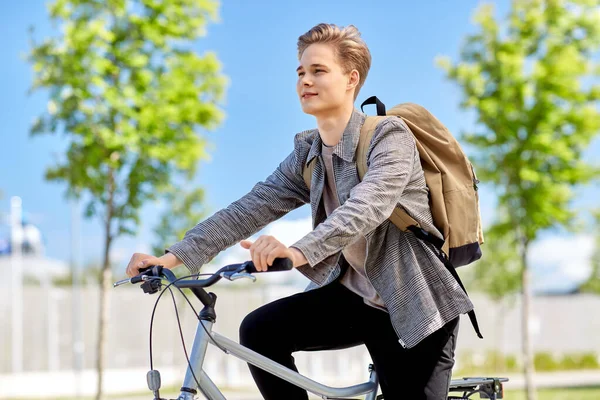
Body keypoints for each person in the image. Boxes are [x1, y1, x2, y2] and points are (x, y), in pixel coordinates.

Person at [126, 23, 474, 400]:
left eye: (319, 71)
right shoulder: (308, 154)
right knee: (260, 332)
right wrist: (171, 258)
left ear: (351, 79)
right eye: (301, 72)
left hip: (414, 300)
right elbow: (248, 209)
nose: (305, 80)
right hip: (356, 298)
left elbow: (366, 208)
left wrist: (296, 251)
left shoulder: (389, 137)